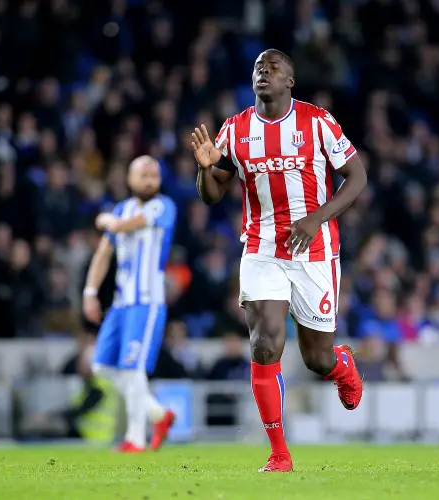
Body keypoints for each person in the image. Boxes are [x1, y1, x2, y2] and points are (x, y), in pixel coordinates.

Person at [191, 49, 367, 472]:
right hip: (261, 248)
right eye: (256, 67)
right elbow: (213, 193)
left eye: (272, 67)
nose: (262, 72)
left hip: (316, 249)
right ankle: (279, 453)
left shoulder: (317, 122)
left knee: (316, 359)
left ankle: (342, 365)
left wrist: (316, 218)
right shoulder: (234, 130)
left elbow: (357, 177)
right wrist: (204, 170)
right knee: (265, 343)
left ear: (290, 81)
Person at [82, 155, 177, 453]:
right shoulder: (121, 208)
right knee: (101, 366)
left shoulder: (163, 206)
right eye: (144, 174)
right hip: (121, 303)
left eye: (155, 175)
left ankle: (135, 439)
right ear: (130, 178)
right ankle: (158, 415)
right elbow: (103, 253)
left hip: (147, 302)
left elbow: (125, 226)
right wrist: (90, 291)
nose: (150, 180)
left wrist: (105, 219)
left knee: (133, 369)